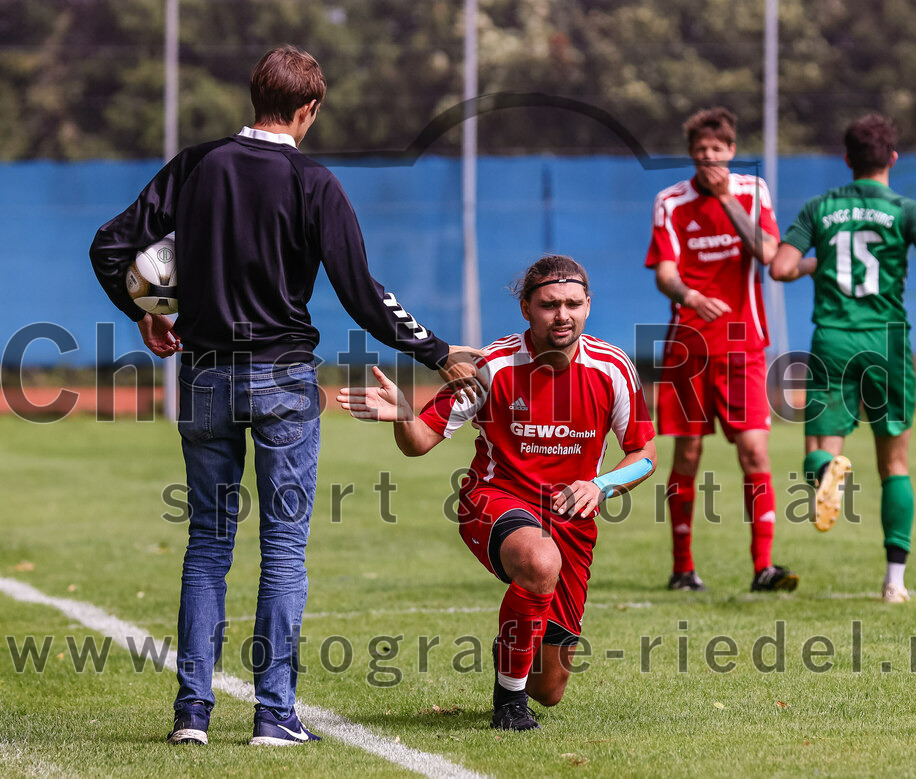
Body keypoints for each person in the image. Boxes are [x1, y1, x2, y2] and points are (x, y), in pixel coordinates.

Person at [90, 46, 476, 746]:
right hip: (282, 378)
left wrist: (146, 311)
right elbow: (362, 292)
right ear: (308, 110)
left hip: (203, 375)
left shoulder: (196, 165)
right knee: (284, 549)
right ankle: (274, 713)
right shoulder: (313, 180)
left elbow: (109, 247)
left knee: (207, 544)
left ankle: (191, 715)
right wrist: (436, 351)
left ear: (253, 97)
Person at [339, 255, 657, 731]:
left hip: (571, 522)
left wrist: (599, 484)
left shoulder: (613, 369)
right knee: (539, 562)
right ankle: (508, 704)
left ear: (589, 305)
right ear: (526, 307)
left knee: (549, 690)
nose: (563, 315)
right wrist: (405, 415)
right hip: (493, 500)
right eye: (550, 304)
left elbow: (644, 455)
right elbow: (420, 442)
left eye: (573, 303)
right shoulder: (490, 367)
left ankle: (516, 648)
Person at [770, 113, 916, 603]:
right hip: (887, 344)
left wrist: (815, 260)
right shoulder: (906, 209)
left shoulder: (820, 207)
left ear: (846, 160)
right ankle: (894, 582)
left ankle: (828, 469)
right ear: (892, 158)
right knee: (896, 465)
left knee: (817, 452)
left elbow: (781, 267)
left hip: (833, 341)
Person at [645, 107, 797, 593]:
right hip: (688, 344)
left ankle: (763, 567)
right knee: (687, 455)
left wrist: (728, 199)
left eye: (717, 149)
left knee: (754, 450)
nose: (709, 157)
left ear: (731, 151)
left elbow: (770, 254)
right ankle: (682, 569)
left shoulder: (752, 194)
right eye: (700, 151)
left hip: (743, 345)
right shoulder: (670, 201)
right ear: (691, 154)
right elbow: (665, 271)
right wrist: (689, 295)